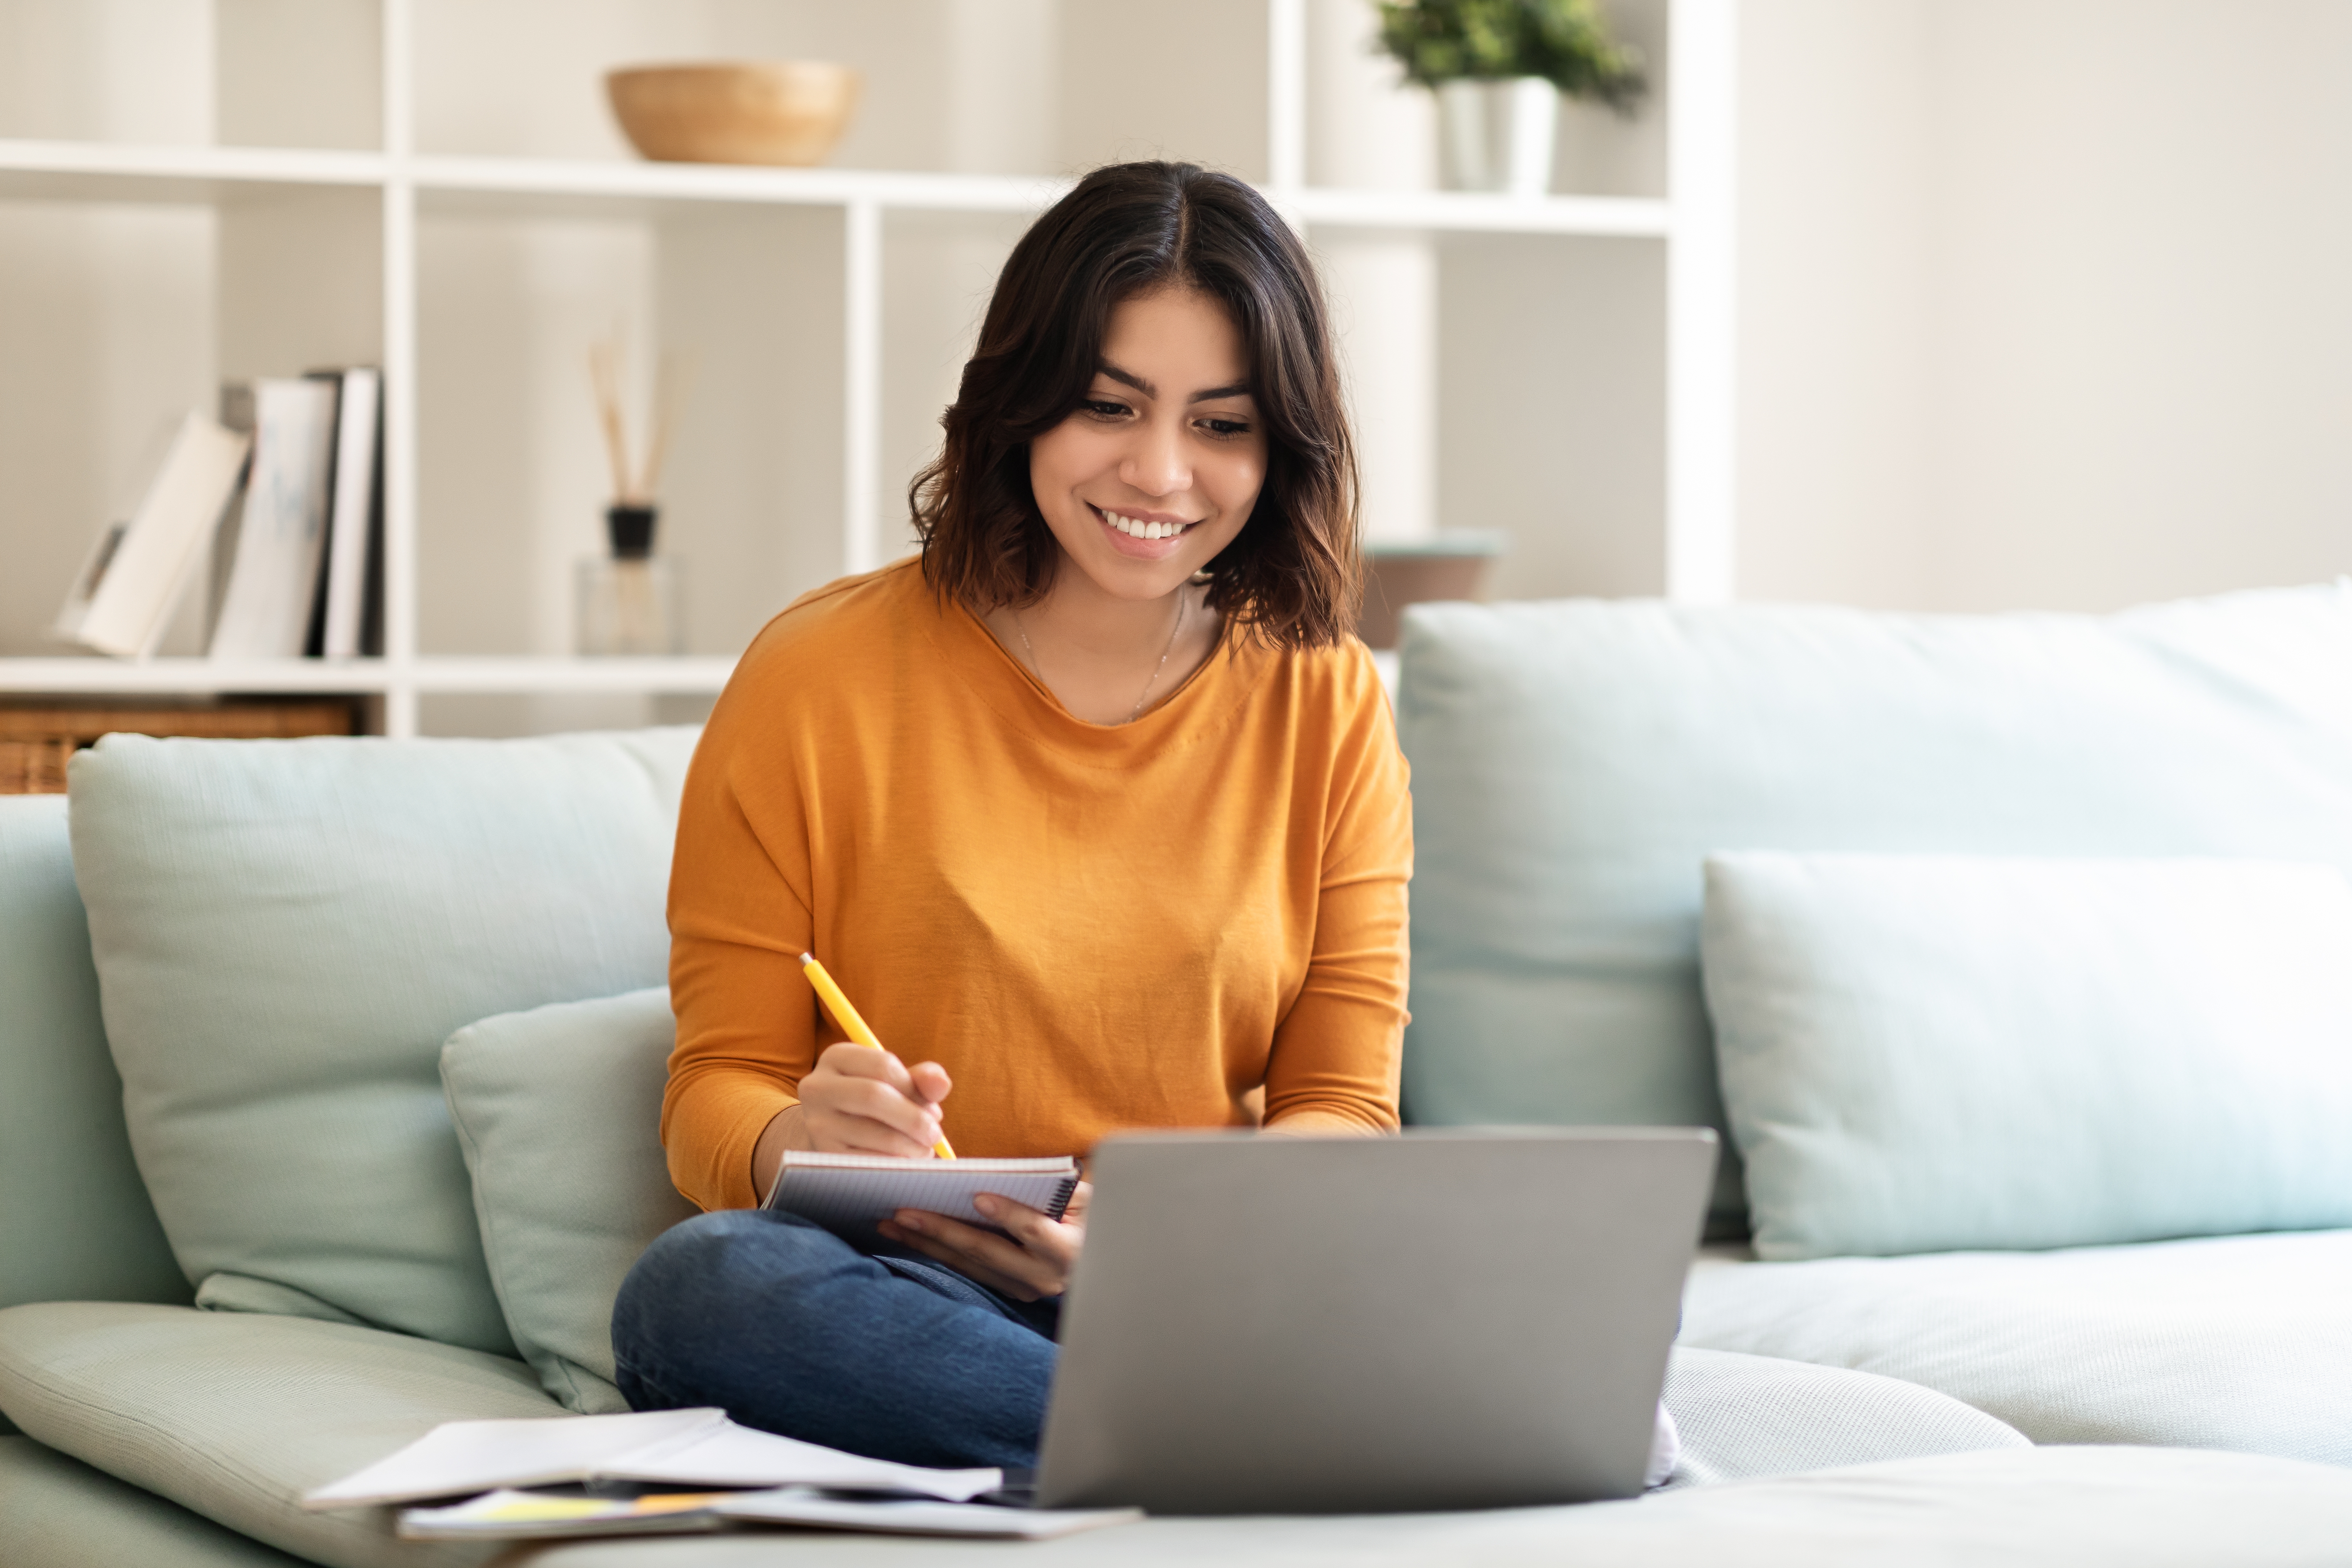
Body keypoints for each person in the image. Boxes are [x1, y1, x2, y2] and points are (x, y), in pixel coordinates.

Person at [609, 161, 1413, 1473]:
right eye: (1109, 405)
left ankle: (1144, 1446)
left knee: (1516, 1307)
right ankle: (1249, 1458)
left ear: (1281, 447)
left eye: (1222, 424)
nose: (1160, 471)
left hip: (1191, 1285)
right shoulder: (814, 676)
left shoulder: (1326, 698)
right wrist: (789, 1141)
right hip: (918, 1288)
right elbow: (715, 1087)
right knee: (698, 1288)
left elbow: (1340, 1109)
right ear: (1019, 403)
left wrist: (1153, 1248)